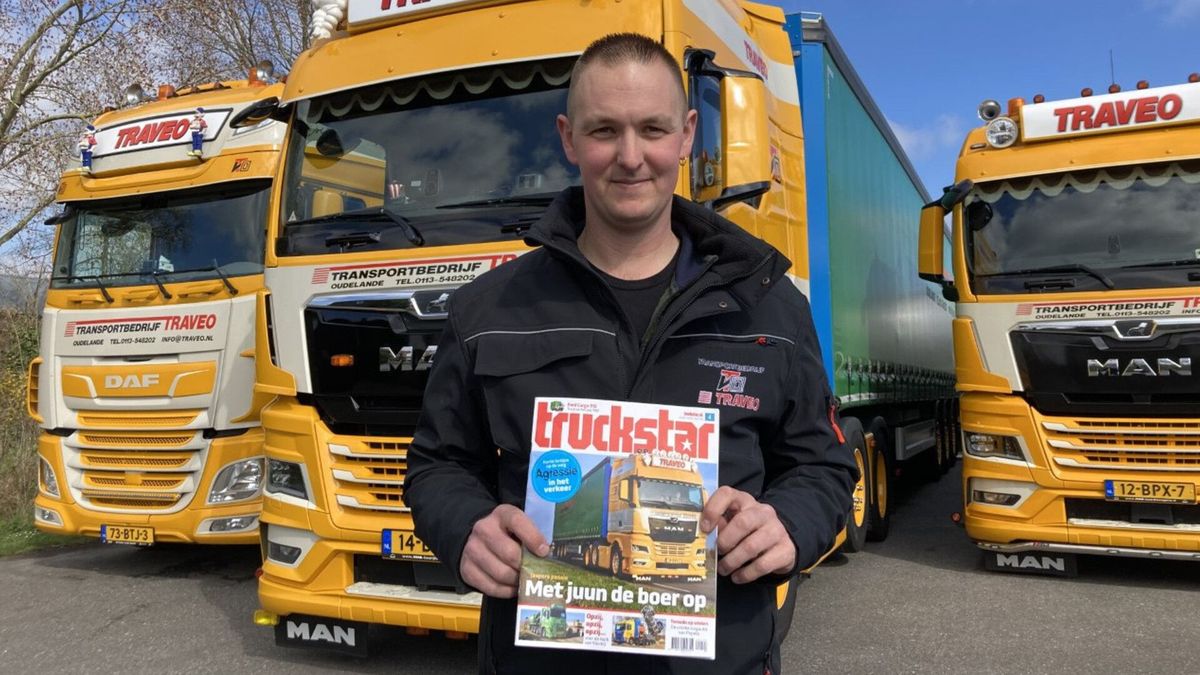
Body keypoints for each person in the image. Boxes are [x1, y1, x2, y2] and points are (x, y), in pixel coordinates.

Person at [403, 32, 856, 675]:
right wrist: (465, 528)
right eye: (603, 131)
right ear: (567, 138)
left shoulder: (770, 307)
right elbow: (436, 467)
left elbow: (825, 467)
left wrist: (788, 524)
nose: (630, 156)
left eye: (652, 128)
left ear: (687, 133)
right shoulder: (489, 310)